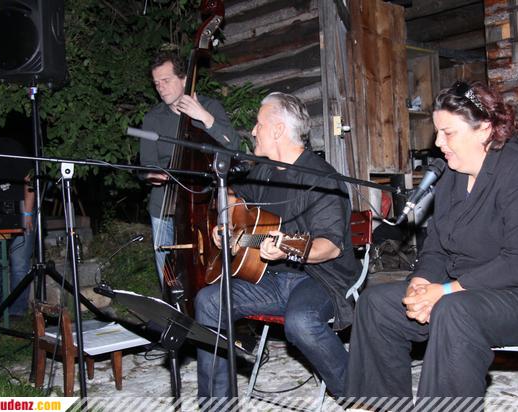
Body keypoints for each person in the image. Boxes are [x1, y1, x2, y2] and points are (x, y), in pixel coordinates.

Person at [345, 81, 518, 408]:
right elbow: (437, 247)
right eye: (437, 133)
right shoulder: (453, 175)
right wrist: (421, 283)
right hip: (476, 292)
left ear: (484, 129)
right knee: (376, 303)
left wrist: (446, 291)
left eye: (448, 133)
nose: (438, 143)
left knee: (454, 310)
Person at [194, 92, 360, 400]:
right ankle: (217, 404)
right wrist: (225, 227)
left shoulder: (321, 178)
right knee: (208, 301)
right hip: (268, 278)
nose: (253, 131)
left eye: (259, 124)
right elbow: (233, 199)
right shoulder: (263, 171)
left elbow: (330, 246)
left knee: (301, 321)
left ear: (278, 130)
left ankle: (358, 394)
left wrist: (288, 249)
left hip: (319, 279)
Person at [139, 51, 239, 286]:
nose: (160, 88)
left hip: (203, 205)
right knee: (169, 277)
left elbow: (233, 146)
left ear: (184, 79)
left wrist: (204, 117)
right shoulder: (152, 119)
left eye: (166, 80)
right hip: (164, 207)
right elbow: (146, 166)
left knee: (204, 271)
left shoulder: (209, 107)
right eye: (156, 83)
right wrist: (152, 175)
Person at [0, 134, 34, 316]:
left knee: (19, 262)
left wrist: (27, 213)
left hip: (22, 208)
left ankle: (16, 312)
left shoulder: (9, 148)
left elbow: (30, 179)